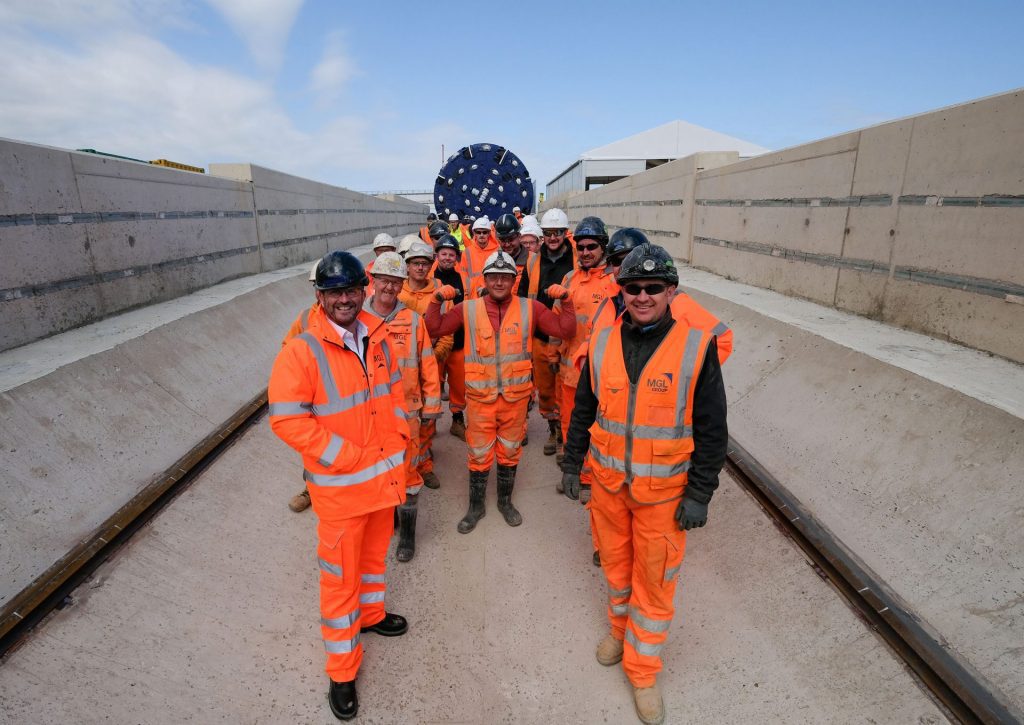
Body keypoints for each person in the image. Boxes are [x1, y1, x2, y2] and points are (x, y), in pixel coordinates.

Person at [560, 243, 728, 725]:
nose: (642, 296)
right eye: (633, 288)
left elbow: (713, 429)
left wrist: (700, 493)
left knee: (654, 585)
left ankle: (643, 669)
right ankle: (618, 629)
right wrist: (573, 464)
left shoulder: (697, 348)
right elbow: (585, 409)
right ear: (623, 292)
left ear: (671, 291)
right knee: (615, 569)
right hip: (610, 487)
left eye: (653, 288)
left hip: (665, 497)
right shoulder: (603, 341)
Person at [268, 250, 410, 721]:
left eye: (351, 290)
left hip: (380, 483)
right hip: (342, 491)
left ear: (362, 289)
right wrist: (346, 456)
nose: (345, 299)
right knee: (340, 583)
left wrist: (401, 438)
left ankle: (371, 618)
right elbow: (287, 421)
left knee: (372, 564)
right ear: (320, 297)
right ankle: (342, 670)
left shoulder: (377, 336)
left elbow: (388, 396)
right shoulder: (302, 351)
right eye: (334, 293)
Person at [425, 251, 577, 533]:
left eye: (504, 277)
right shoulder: (467, 309)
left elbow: (565, 330)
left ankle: (505, 502)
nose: (498, 282)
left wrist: (566, 302)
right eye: (493, 277)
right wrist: (436, 301)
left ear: (513, 280)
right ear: (485, 279)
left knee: (510, 452)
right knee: (478, 453)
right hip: (480, 400)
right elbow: (433, 327)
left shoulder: (530, 309)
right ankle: (476, 506)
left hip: (516, 399)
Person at [361, 251, 441, 562]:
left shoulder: (413, 320)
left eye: (396, 282)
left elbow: (428, 367)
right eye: (385, 281)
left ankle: (407, 537)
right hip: (369, 416)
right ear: (374, 281)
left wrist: (431, 408)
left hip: (407, 414)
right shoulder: (358, 320)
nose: (390, 288)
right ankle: (388, 523)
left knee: (408, 475)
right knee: (377, 476)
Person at [518, 207, 575, 458]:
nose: (553, 238)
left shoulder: (575, 259)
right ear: (543, 235)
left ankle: (566, 435)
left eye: (558, 233)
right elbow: (521, 296)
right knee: (546, 389)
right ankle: (554, 428)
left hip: (568, 336)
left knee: (567, 388)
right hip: (541, 336)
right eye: (549, 233)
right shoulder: (532, 260)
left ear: (565, 233)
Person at [398, 241, 452, 490]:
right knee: (403, 417)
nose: (420, 268)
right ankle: (403, 464)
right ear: (407, 266)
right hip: (401, 369)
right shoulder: (397, 291)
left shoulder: (439, 290)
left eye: (424, 264)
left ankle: (424, 465)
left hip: (432, 366)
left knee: (428, 417)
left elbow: (448, 330)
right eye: (415, 263)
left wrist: (433, 357)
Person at [283, 260, 323, 513]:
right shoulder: (307, 317)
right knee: (314, 447)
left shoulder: (352, 315)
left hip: (346, 396)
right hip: (314, 396)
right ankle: (312, 488)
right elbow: (288, 349)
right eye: (319, 287)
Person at [431, 234, 468, 440]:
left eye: (451, 254)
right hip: (436, 342)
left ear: (457, 257)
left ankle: (457, 420)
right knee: (433, 383)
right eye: (443, 254)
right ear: (437, 255)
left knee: (458, 383)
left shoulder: (463, 278)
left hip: (459, 341)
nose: (447, 258)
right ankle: (431, 423)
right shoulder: (429, 279)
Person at [458, 216, 498, 298]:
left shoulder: (498, 251)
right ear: (474, 233)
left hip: (493, 295)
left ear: (489, 233)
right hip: (473, 297)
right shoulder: (467, 252)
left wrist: (488, 290)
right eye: (478, 232)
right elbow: (463, 276)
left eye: (484, 232)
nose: (481, 235)